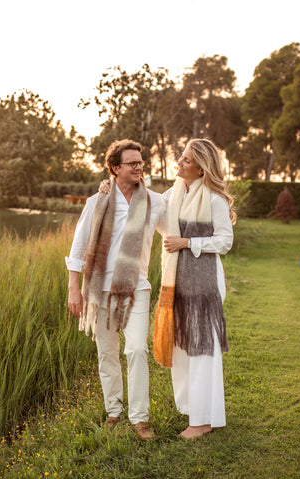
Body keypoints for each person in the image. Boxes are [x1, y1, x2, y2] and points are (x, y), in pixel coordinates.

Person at [66, 139, 166, 442]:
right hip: (99, 290)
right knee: (106, 354)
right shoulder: (96, 201)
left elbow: (173, 231)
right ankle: (114, 411)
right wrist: (74, 289)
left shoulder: (155, 201)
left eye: (141, 162)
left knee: (136, 349)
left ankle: (139, 417)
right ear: (115, 168)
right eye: (132, 163)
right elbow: (78, 247)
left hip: (137, 288)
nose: (139, 167)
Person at [156, 138, 235, 440]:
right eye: (182, 157)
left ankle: (202, 422)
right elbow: (153, 212)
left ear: (201, 168)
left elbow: (225, 241)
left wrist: (188, 242)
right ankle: (193, 409)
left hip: (205, 286)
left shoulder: (214, 199)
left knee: (202, 351)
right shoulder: (172, 194)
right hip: (179, 283)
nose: (179, 162)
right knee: (183, 348)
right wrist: (113, 188)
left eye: (186, 160)